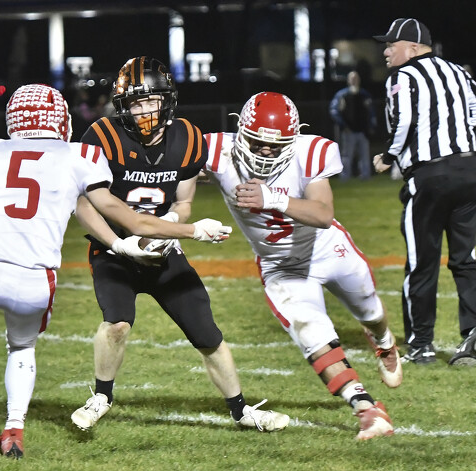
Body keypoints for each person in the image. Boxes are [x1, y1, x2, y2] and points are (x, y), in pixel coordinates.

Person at [0, 84, 233, 458]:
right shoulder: (80, 156)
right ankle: (13, 432)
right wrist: (190, 230)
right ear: (61, 120)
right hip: (36, 279)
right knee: (22, 347)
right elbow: (130, 219)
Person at [70, 56, 290, 433]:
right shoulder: (102, 136)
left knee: (207, 333)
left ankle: (241, 410)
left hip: (163, 249)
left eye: (150, 101)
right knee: (117, 322)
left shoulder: (187, 138)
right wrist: (118, 244)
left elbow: (184, 201)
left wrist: (171, 224)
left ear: (166, 100)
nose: (143, 111)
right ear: (122, 106)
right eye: (135, 103)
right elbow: (83, 203)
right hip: (113, 250)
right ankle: (101, 397)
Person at [204, 91, 402, 440]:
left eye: (275, 145)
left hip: (327, 250)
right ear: (240, 131)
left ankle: (383, 340)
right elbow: (169, 163)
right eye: (257, 142)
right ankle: (365, 407)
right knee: (312, 335)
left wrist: (272, 197)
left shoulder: (311, 151)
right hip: (280, 265)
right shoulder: (217, 150)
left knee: (370, 311)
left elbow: (323, 214)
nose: (265, 152)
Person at [373, 18, 476, 365]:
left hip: (430, 175)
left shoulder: (403, 77)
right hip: (470, 169)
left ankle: (421, 344)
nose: (386, 52)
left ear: (414, 47)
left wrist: (388, 156)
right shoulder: (460, 72)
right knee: (467, 259)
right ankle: (472, 338)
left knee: (422, 261)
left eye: (392, 45)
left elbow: (403, 121)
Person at [329, 71, 377, 181]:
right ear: (348, 80)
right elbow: (334, 111)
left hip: (363, 130)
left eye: (356, 78)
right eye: (352, 78)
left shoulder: (364, 94)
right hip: (348, 130)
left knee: (364, 155)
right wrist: (343, 125)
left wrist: (370, 126)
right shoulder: (342, 95)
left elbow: (371, 112)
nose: (354, 80)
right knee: (347, 155)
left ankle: (365, 176)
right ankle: (345, 177)